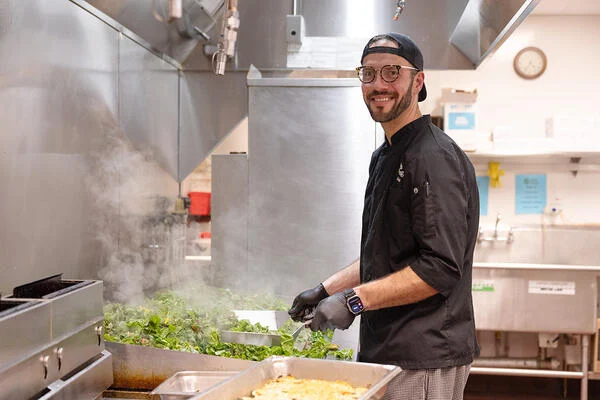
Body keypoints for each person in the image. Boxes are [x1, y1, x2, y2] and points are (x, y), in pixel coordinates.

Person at [288, 32, 480, 400]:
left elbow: (439, 267)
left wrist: (353, 300)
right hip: (387, 348)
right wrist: (327, 289)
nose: (379, 85)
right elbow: (386, 254)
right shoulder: (386, 155)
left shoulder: (432, 157)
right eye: (369, 74)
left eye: (392, 72)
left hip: (423, 355)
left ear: (418, 80)